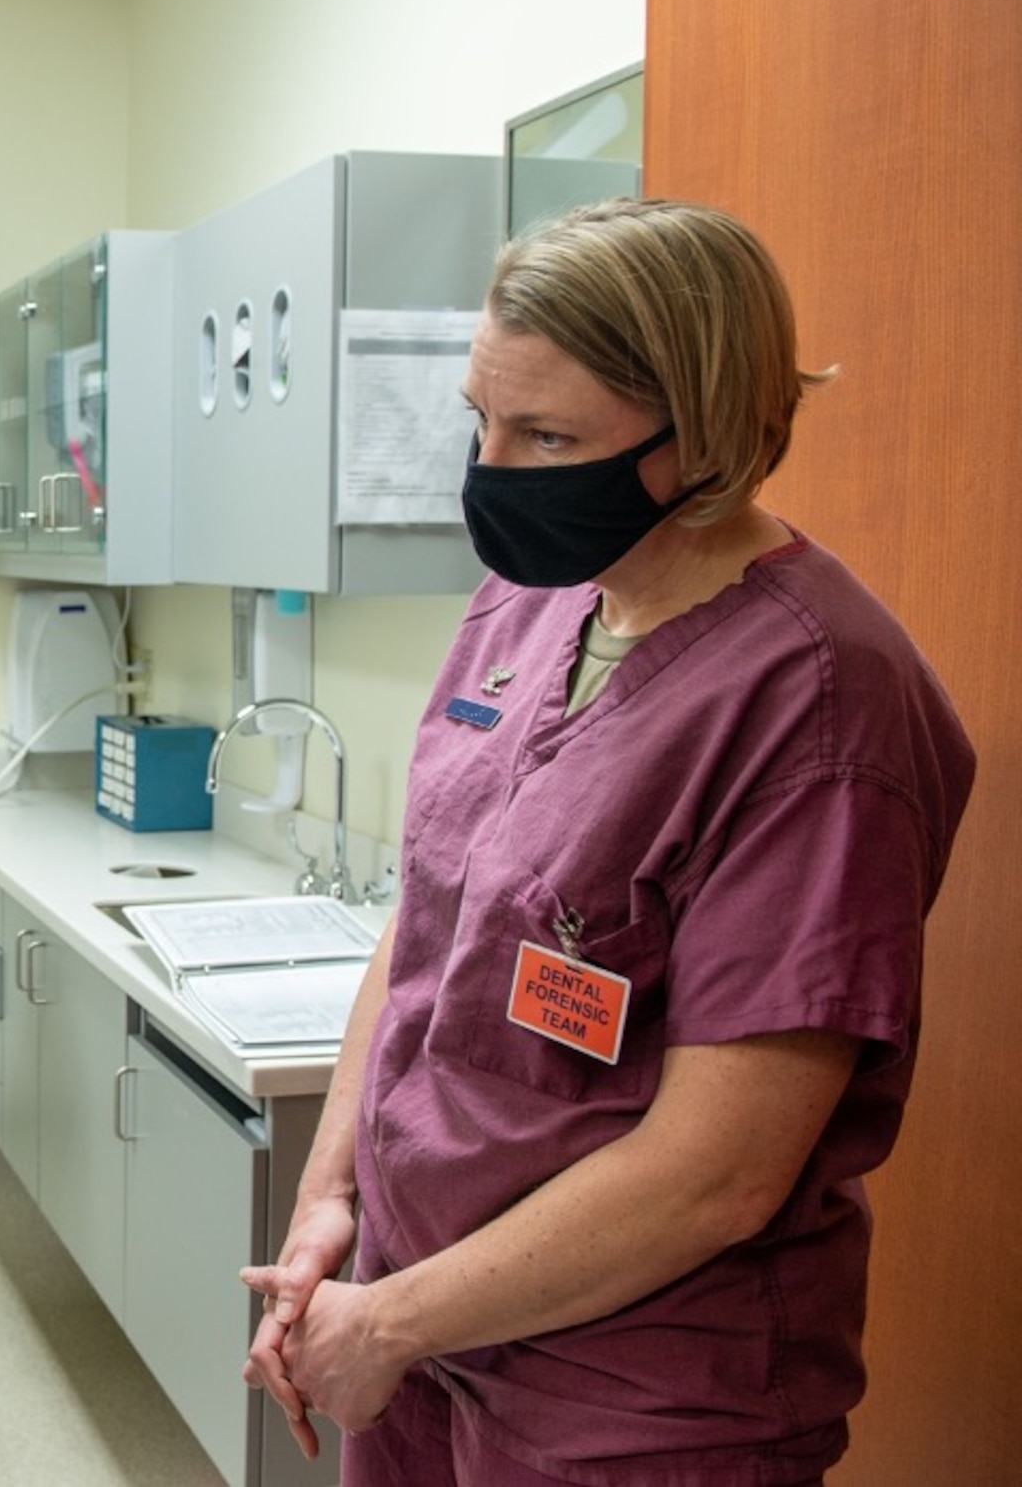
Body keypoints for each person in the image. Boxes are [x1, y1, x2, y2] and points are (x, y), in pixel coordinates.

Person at [241, 197, 975, 1485]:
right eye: (482, 419)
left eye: (549, 434)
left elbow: (719, 1174)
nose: (495, 469)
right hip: (416, 1319)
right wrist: (329, 1205)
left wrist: (393, 1320)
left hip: (634, 1396)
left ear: (708, 429)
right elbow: (426, 929)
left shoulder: (818, 703)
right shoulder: (527, 609)